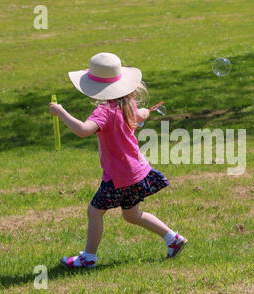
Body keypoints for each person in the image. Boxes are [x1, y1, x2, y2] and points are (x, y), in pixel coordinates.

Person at [48, 52, 187, 268]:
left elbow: (84, 131)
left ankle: (88, 258)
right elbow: (141, 114)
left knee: (94, 212)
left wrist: (61, 112)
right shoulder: (128, 104)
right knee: (132, 214)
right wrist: (144, 114)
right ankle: (173, 239)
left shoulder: (104, 111)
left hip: (119, 178)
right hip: (138, 172)